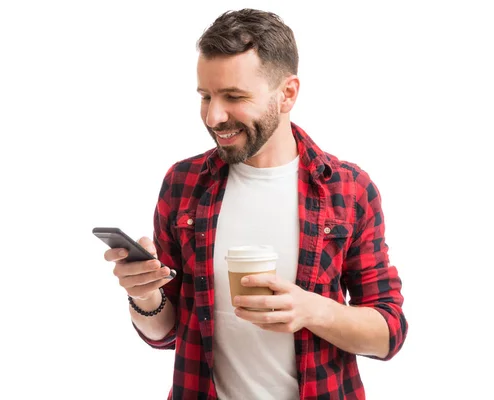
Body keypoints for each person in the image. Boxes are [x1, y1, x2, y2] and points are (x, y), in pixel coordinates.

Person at [104, 8, 408, 400]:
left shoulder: (348, 189)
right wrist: (145, 296)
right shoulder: (183, 184)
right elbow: (167, 333)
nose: (214, 116)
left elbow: (389, 332)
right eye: (206, 96)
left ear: (287, 94)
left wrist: (312, 311)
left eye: (234, 97)